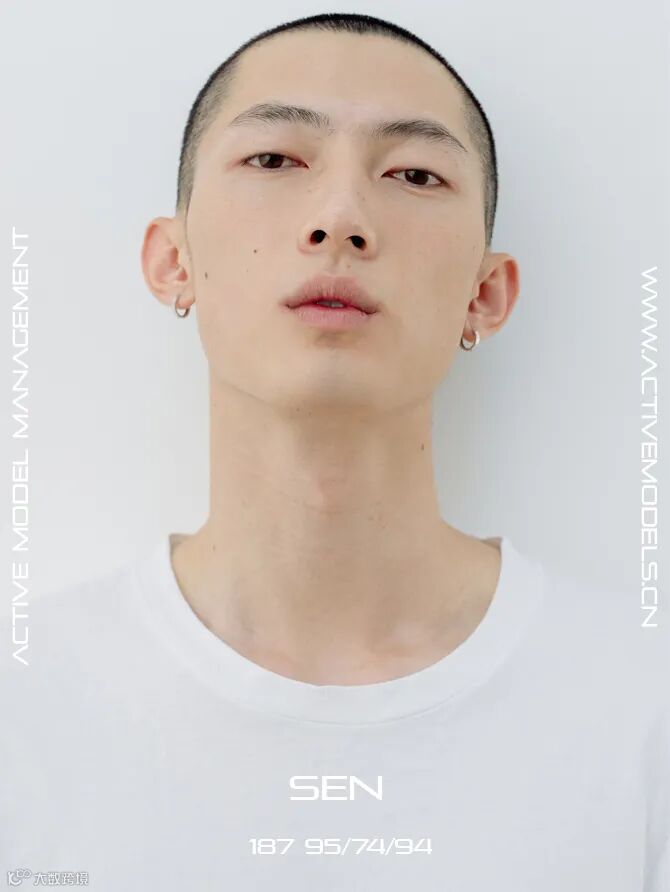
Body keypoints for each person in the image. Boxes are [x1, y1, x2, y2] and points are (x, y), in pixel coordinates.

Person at [2, 12, 667, 892]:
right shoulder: (24, 711)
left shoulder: (642, 710)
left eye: (414, 174)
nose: (341, 219)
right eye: (275, 159)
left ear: (486, 294)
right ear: (173, 263)